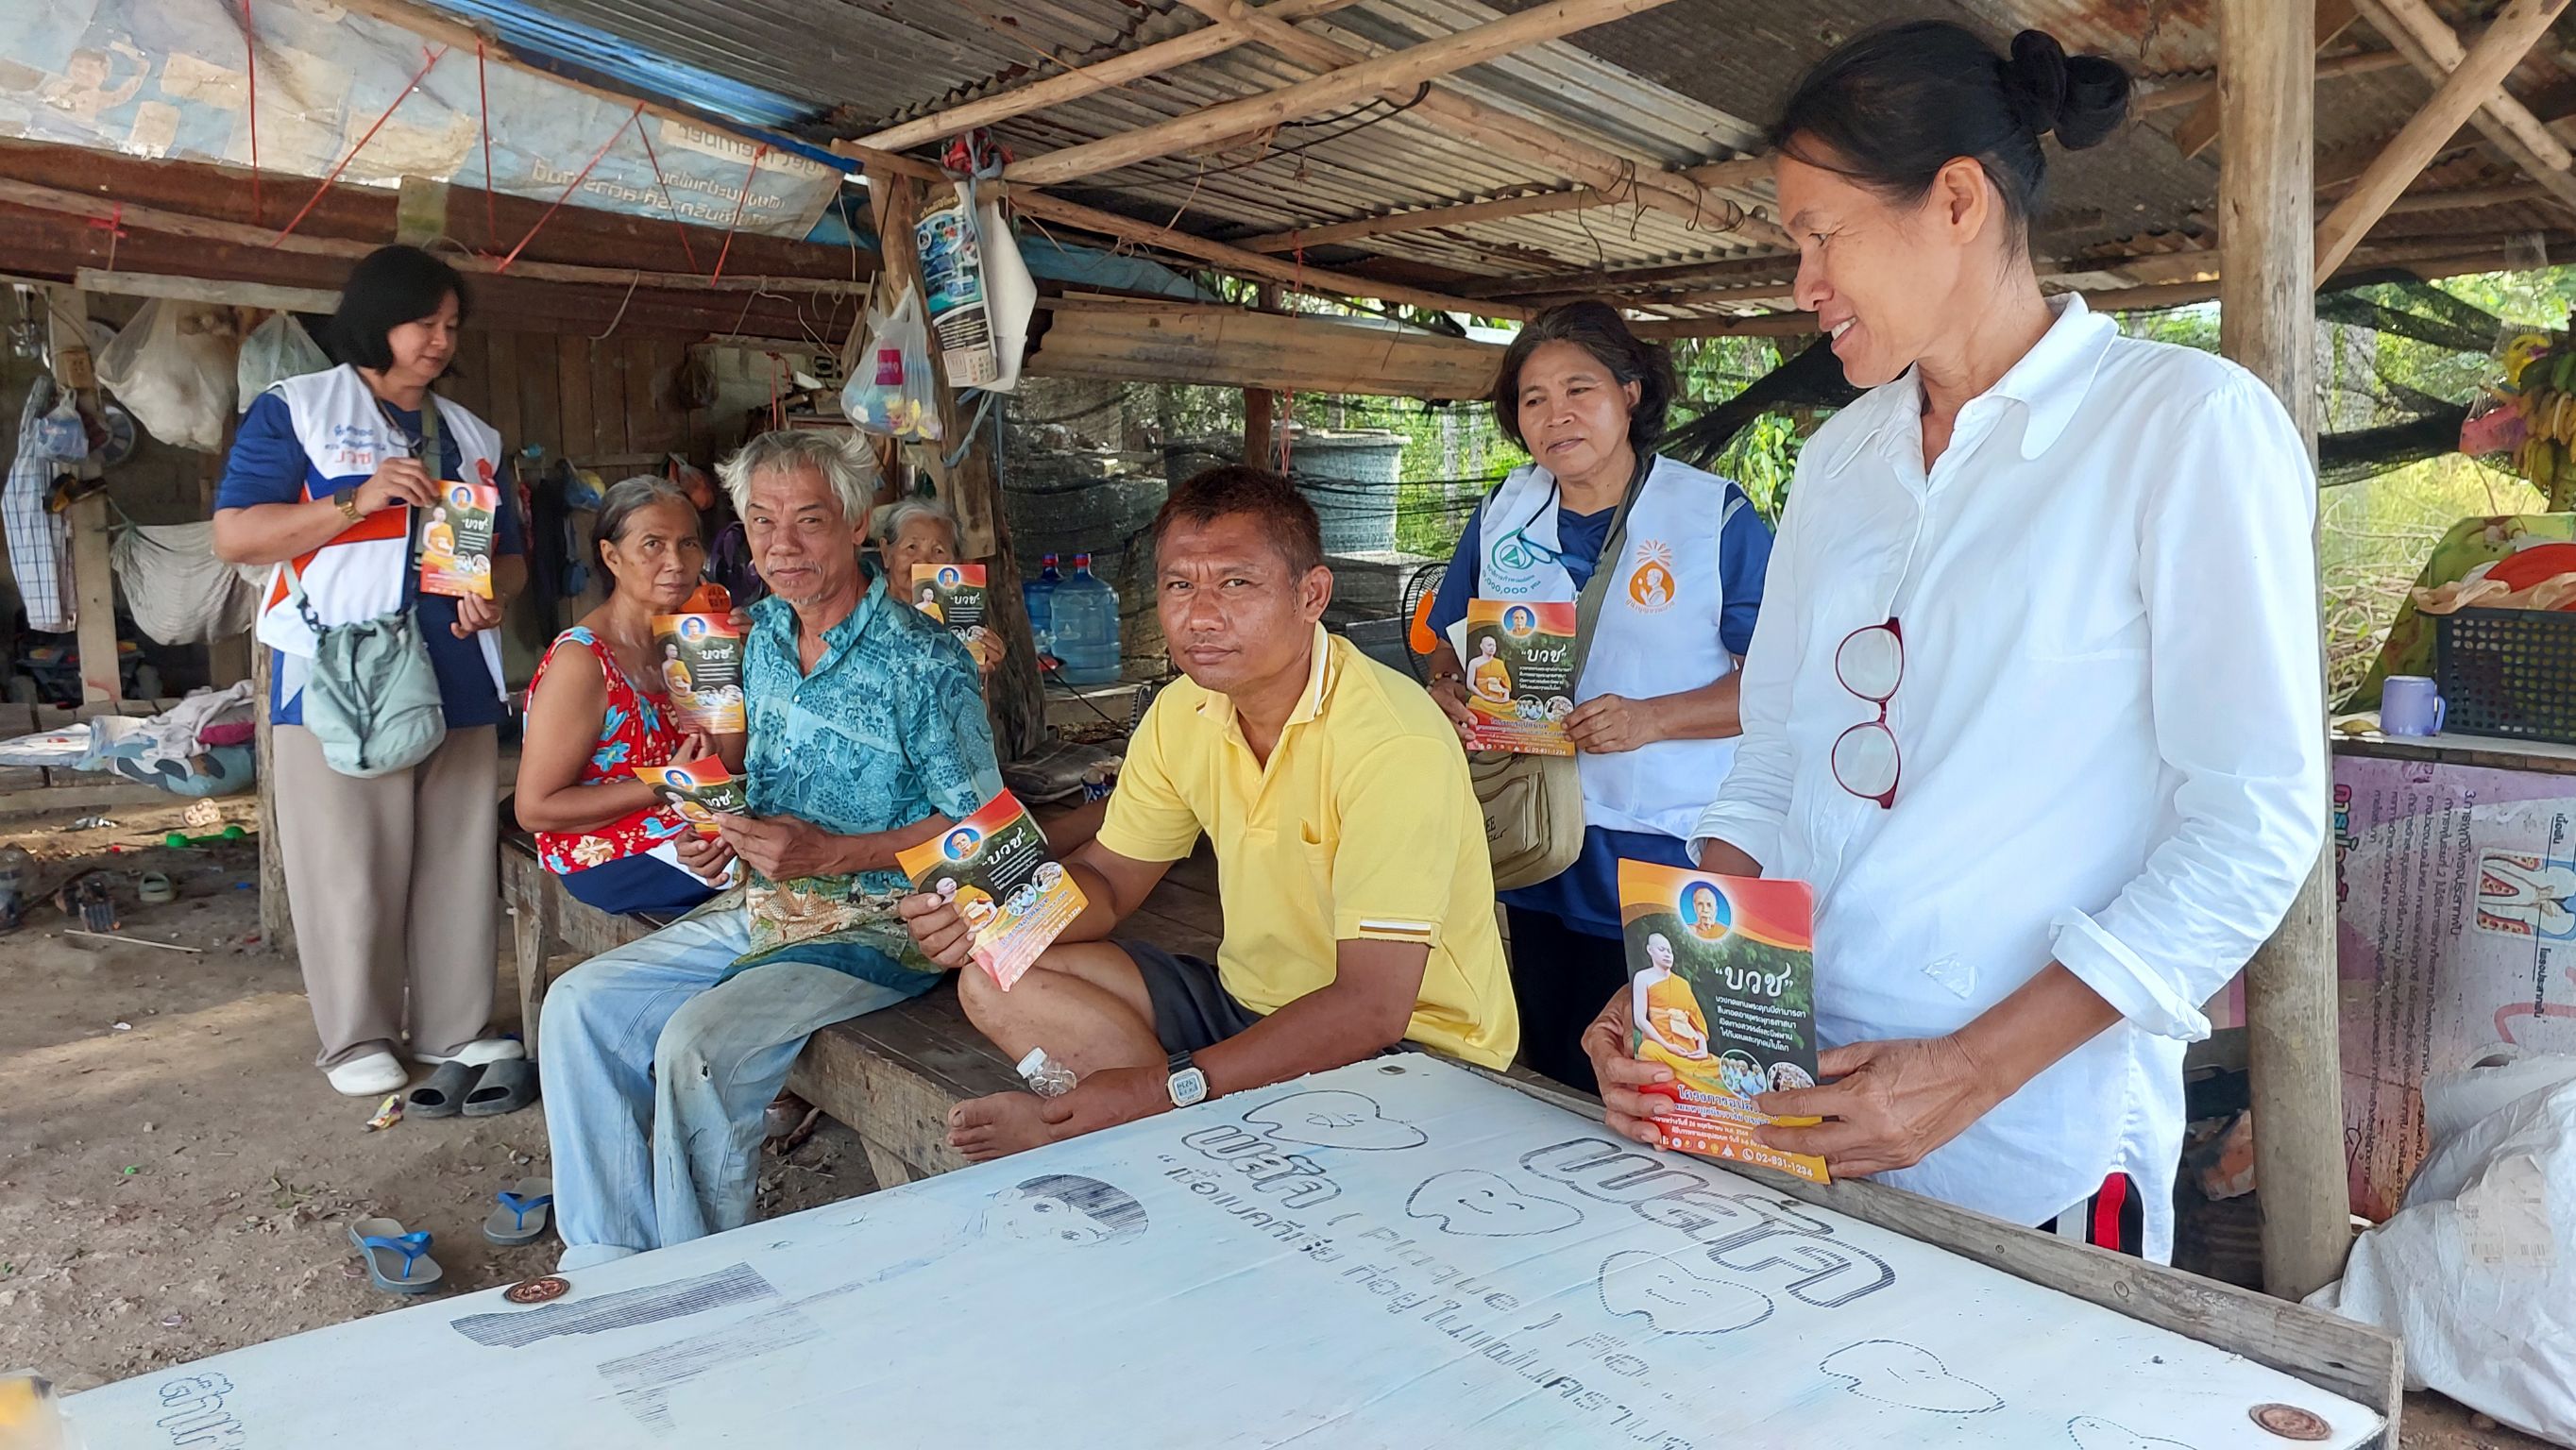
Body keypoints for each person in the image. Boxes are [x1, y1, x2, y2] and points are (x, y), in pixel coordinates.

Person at [1584, 24, 2326, 1264]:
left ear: (1958, 201)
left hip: (2033, 1140)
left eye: (1822, 235)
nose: (1802, 279)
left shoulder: (2181, 428)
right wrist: (1691, 993)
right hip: (1785, 1093)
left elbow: (2252, 823)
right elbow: (1773, 756)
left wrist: (1969, 1075)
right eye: (1794, 244)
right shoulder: (1841, 462)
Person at [900, 466, 1518, 1159]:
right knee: (994, 973)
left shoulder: (1391, 742)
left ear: (1311, 594)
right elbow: (1106, 881)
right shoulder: (1182, 711)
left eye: (1235, 583)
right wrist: (988, 915)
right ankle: (1159, 1135)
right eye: (1178, 585)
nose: (1200, 616)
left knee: (1153, 1093)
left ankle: (1118, 1129)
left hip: (1413, 1047)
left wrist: (1159, 1086)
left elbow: (1371, 1007)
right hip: (1248, 1001)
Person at [539, 430, 1003, 1267]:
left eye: (810, 521)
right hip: (761, 904)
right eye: (761, 523)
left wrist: (834, 855)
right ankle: (610, 1262)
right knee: (579, 1007)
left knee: (698, 1050)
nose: (781, 547)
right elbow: (752, 778)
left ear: (858, 522)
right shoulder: (757, 643)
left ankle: (701, 1281)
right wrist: (717, 826)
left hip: (879, 926)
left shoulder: (925, 660)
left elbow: (982, 824)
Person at [1425, 300, 1774, 1093]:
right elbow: (1441, 652)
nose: (1557, 415)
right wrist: (1447, 691)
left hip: (1671, 849)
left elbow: (1787, 689)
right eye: (1534, 398)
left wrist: (1656, 719)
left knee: (1669, 1074)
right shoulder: (1503, 514)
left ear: (1631, 392)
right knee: (1554, 1056)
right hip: (1540, 842)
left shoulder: (1711, 517)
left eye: (1579, 389)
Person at [212, 244, 527, 1097]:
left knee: (456, 858)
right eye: (423, 321)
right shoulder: (298, 411)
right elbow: (237, 535)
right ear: (374, 318)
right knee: (349, 857)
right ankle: (356, 1036)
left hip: (456, 666)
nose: (438, 339)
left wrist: (492, 596)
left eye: (450, 325)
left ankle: (456, 1026)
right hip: (342, 673)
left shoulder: (474, 436)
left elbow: (513, 559)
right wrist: (354, 501)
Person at [516, 476, 734, 918]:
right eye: (653, 544)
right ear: (612, 556)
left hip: (687, 827)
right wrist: (666, 785)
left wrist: (731, 665)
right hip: (604, 853)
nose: (675, 561)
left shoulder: (697, 641)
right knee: (769, 890)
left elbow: (726, 765)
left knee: (789, 861)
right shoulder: (583, 661)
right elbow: (536, 809)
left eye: (688, 543)